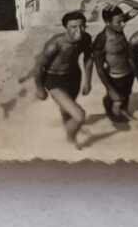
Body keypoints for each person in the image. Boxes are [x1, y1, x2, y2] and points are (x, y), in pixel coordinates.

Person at [33, 11, 94, 148]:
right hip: (54, 79)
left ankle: (68, 127)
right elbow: (39, 66)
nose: (79, 30)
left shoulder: (86, 38)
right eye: (73, 27)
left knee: (66, 109)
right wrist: (39, 88)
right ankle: (71, 137)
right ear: (66, 27)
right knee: (79, 115)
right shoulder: (55, 44)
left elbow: (88, 59)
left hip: (73, 76)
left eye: (82, 26)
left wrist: (88, 81)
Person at [91, 0, 138, 123]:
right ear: (107, 23)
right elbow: (99, 68)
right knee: (116, 98)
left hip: (129, 71)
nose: (123, 24)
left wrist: (122, 0)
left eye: (123, 21)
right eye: (118, 22)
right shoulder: (101, 40)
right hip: (115, 76)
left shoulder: (118, 24)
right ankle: (111, 110)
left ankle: (123, 111)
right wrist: (110, 89)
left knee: (126, 95)